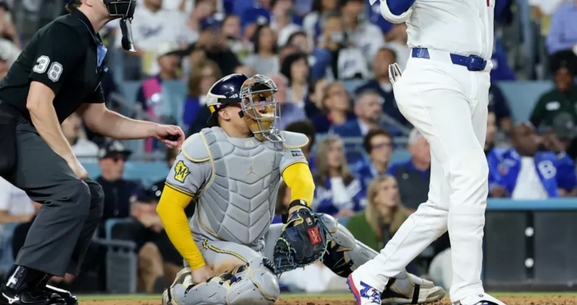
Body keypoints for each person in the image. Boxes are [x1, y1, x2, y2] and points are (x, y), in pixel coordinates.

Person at [350, 0, 506, 305]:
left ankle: (372, 275)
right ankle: (468, 292)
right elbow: (393, 10)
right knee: (472, 171)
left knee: (442, 203)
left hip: (477, 79)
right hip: (431, 75)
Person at [156, 74, 443, 305]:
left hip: (256, 241)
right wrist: (195, 262)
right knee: (261, 287)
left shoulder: (276, 139)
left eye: (261, 99)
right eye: (250, 101)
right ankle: (183, 293)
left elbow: (300, 176)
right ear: (224, 112)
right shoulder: (202, 145)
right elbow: (168, 208)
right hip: (211, 246)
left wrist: (299, 205)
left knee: (325, 228)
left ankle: (397, 286)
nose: (263, 107)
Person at [0, 0, 185, 305]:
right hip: (7, 123)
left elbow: (98, 117)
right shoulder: (66, 31)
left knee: (91, 194)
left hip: (21, 127)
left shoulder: (92, 43)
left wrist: (153, 128)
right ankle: (15, 288)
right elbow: (37, 103)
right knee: (71, 190)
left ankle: (37, 283)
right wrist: (70, 159)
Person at [487, 121, 577, 198]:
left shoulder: (548, 159)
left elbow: (569, 184)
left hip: (545, 212)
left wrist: (560, 154)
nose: (532, 139)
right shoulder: (501, 157)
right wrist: (495, 189)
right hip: (511, 212)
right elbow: (493, 183)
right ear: (513, 140)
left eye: (533, 134)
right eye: (526, 135)